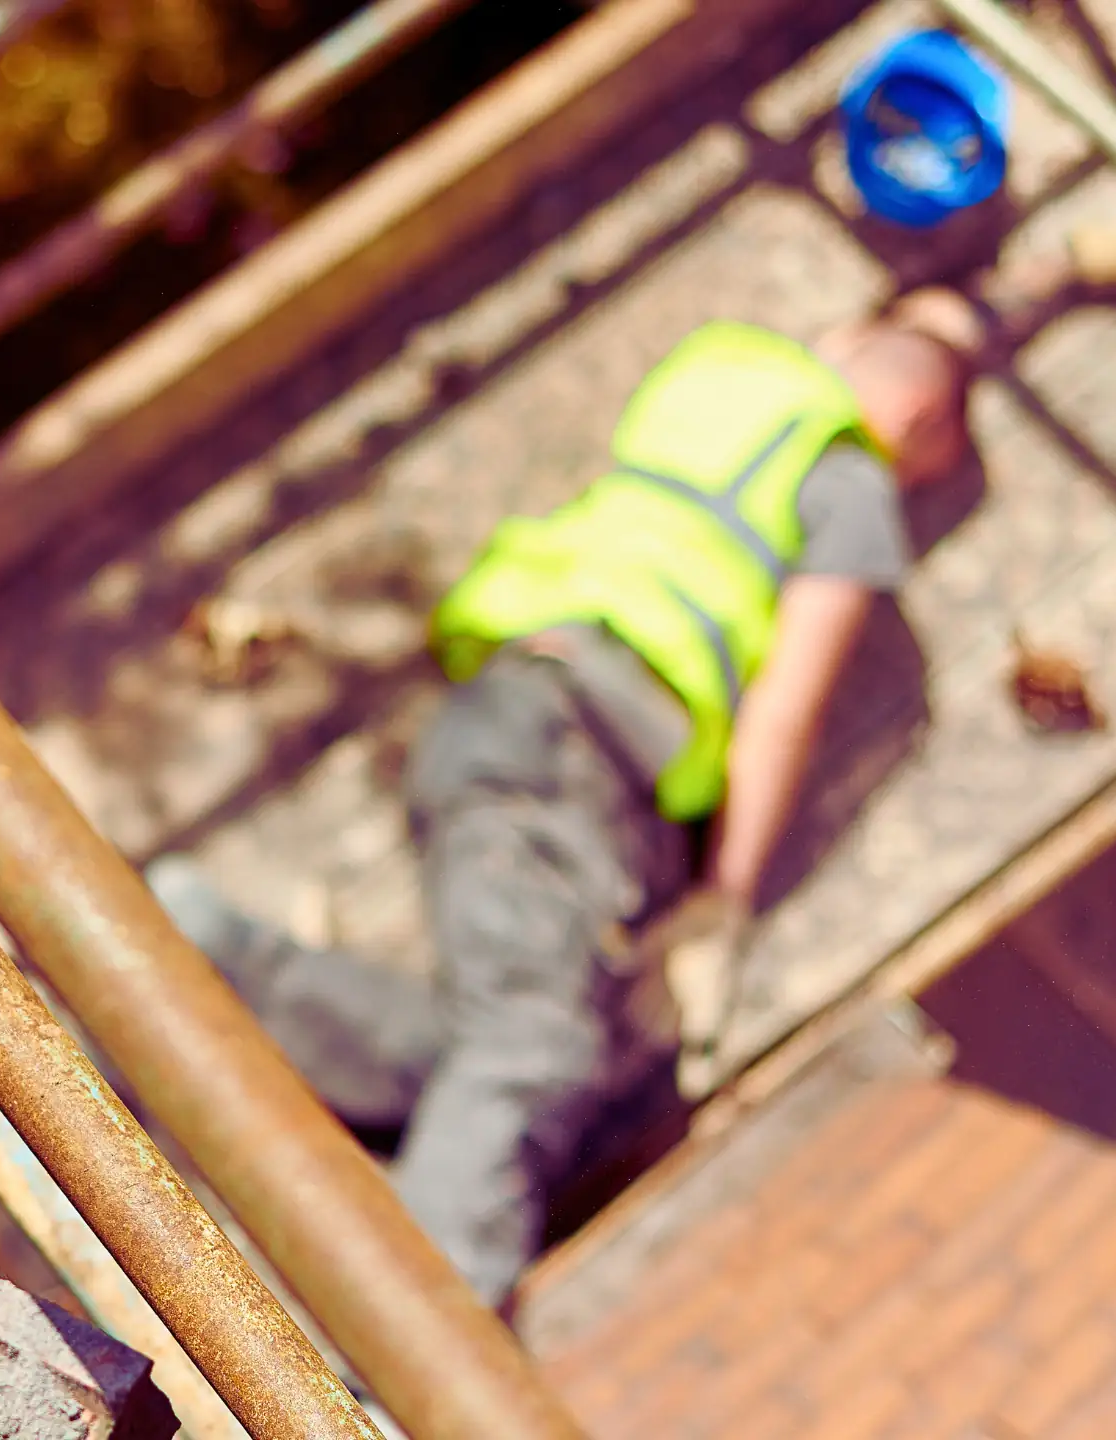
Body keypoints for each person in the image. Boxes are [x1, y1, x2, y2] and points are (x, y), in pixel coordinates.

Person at [147, 293, 976, 1308]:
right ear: (920, 422)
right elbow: (783, 709)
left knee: (496, 1046)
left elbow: (899, 345)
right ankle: (394, 1361)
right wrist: (722, 898)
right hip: (574, 748)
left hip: (498, 717)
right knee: (532, 1047)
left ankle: (206, 959)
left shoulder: (727, 375)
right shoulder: (849, 475)